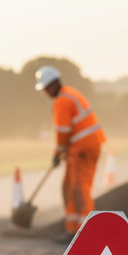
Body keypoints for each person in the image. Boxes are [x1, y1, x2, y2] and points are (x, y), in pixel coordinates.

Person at [35, 65, 106, 234]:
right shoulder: (69, 94)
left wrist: (57, 154)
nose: (45, 92)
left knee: (79, 189)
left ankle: (84, 231)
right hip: (82, 148)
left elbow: (63, 133)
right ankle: (73, 230)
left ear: (52, 85)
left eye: (45, 88)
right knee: (69, 187)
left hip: (84, 149)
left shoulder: (62, 100)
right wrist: (63, 153)